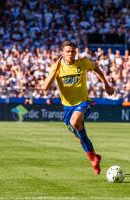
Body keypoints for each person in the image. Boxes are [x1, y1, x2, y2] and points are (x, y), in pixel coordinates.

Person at [43, 41, 114, 175]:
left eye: (73, 51)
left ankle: (93, 157)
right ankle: (93, 157)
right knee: (79, 135)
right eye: (68, 51)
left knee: (75, 122)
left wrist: (106, 84)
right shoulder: (56, 67)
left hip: (84, 102)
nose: (71, 54)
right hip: (67, 107)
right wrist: (56, 69)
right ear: (62, 53)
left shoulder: (82, 62)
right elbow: (45, 87)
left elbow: (96, 68)